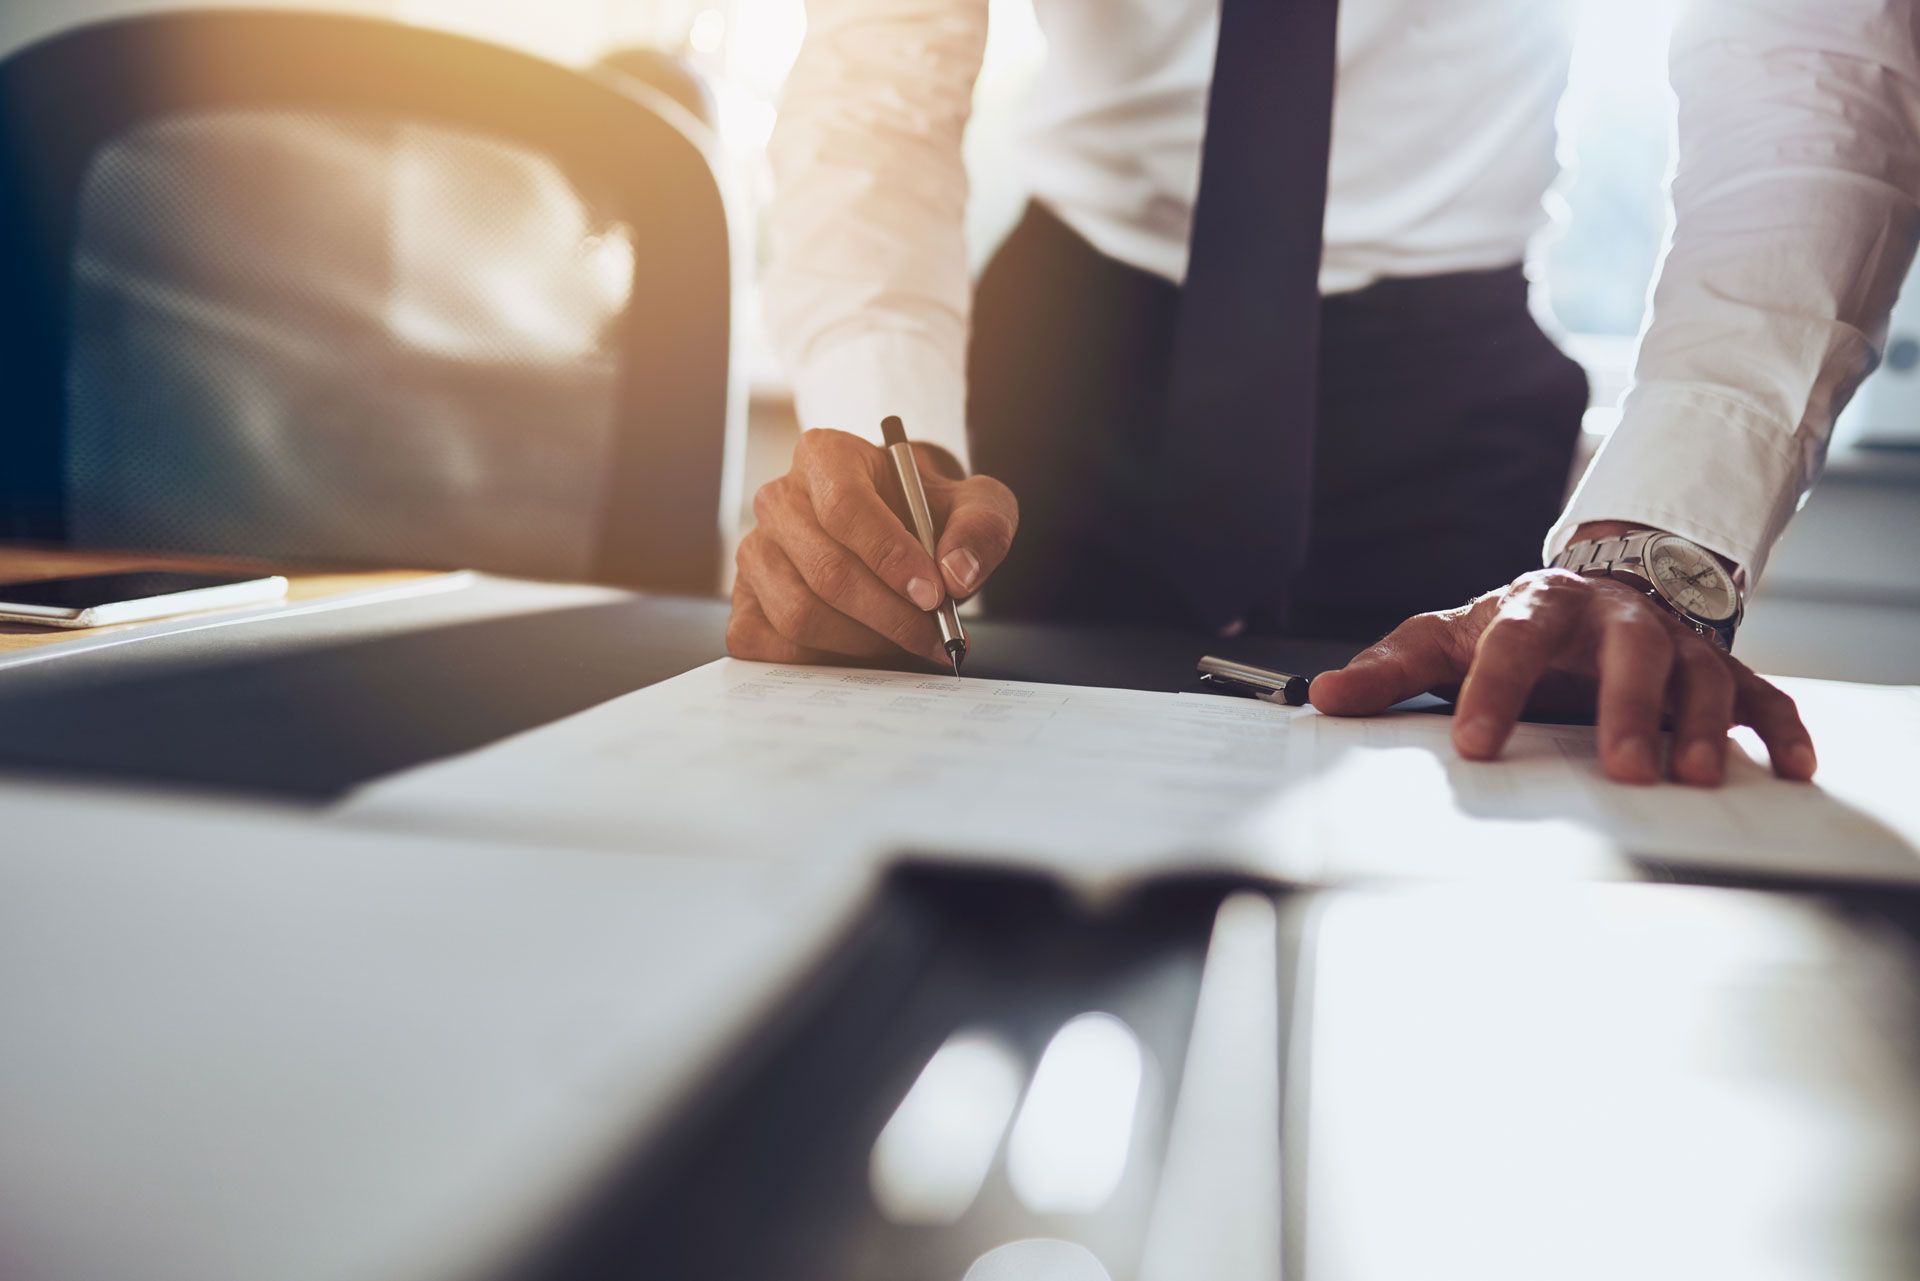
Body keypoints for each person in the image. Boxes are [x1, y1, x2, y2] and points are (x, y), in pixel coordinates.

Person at [731, 0, 1920, 788]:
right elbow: (877, 75)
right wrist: (882, 431)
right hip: (1071, 353)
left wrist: (1663, 539)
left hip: (1445, 383)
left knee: (1447, 851)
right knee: (976, 816)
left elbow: (1816, 72)